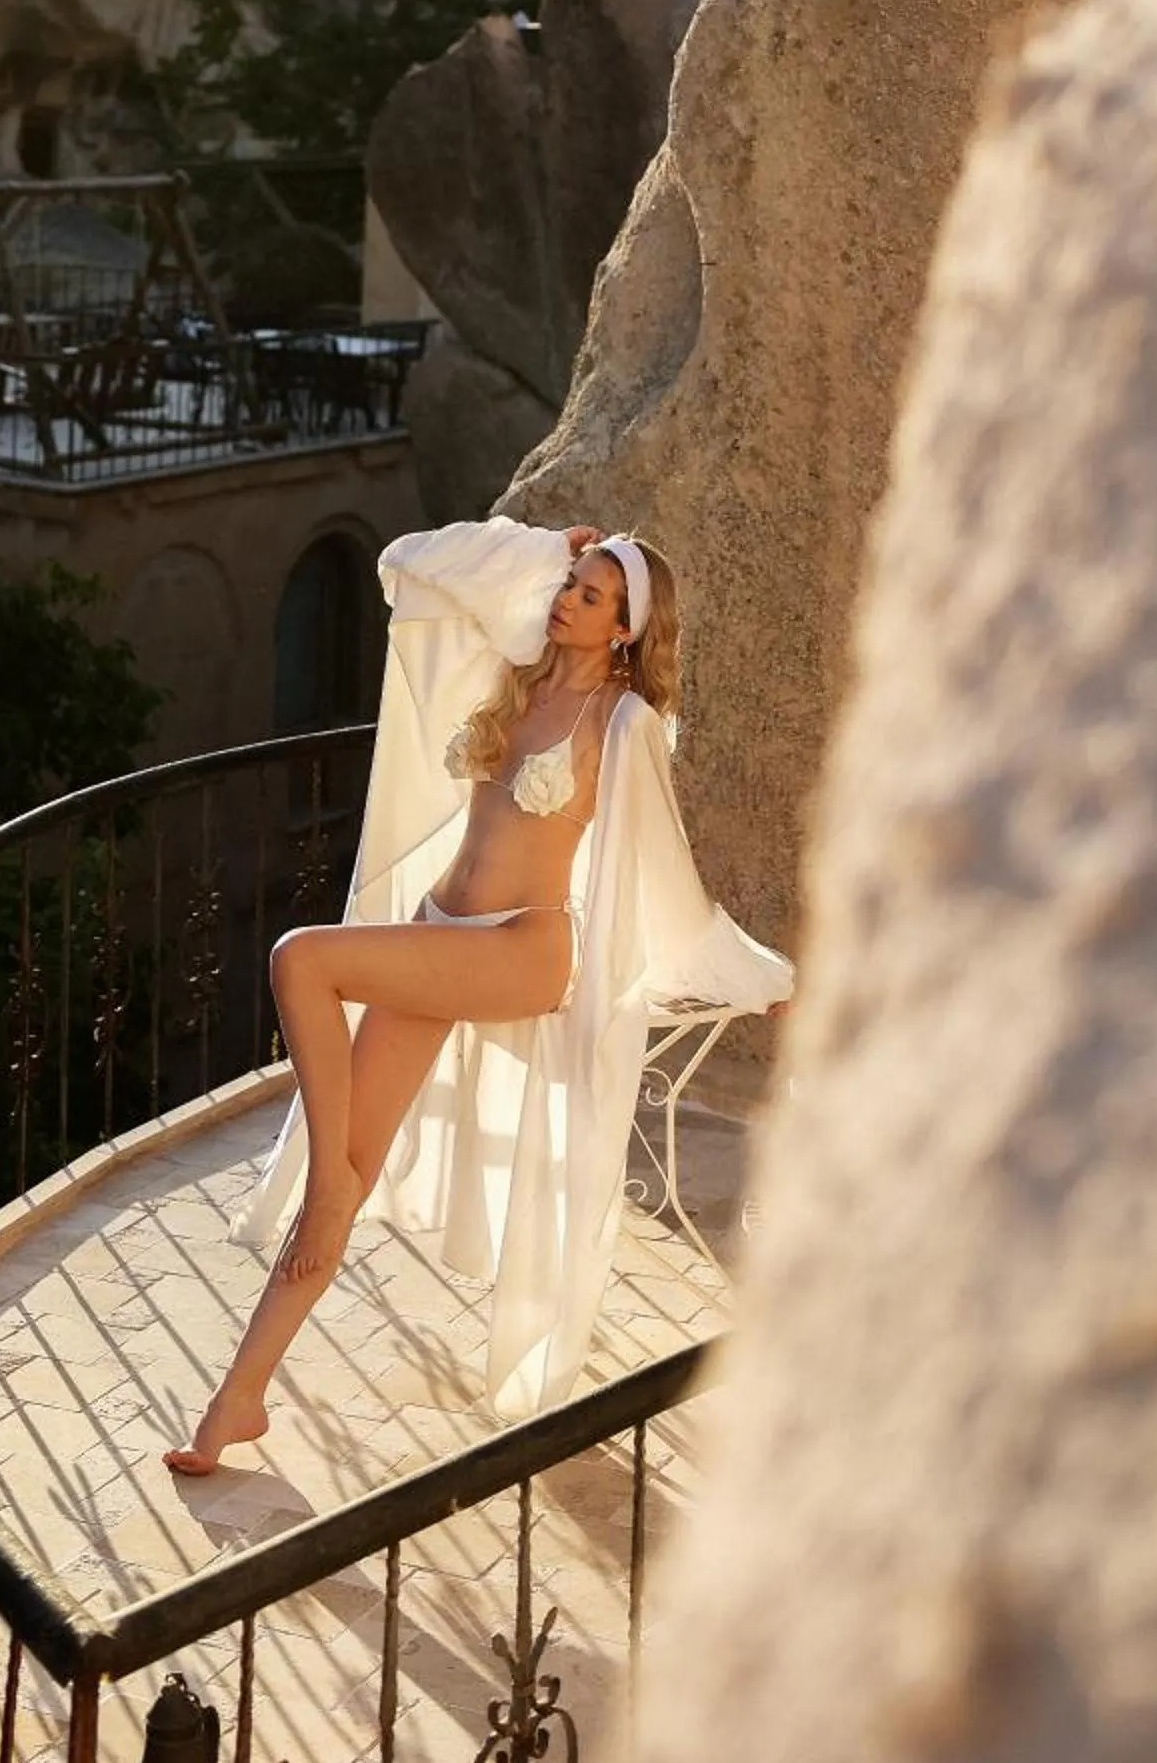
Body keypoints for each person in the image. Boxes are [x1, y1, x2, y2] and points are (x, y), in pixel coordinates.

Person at [165, 515, 794, 1475]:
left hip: (521, 949)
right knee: (348, 1165)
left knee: (302, 959)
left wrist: (758, 980)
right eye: (569, 582)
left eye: (589, 592)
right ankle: (235, 1406)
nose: (566, 597)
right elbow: (406, 563)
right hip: (440, 931)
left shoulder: (624, 723)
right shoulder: (519, 676)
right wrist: (541, 541)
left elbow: (667, 872)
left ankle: (331, 1180)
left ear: (626, 627)